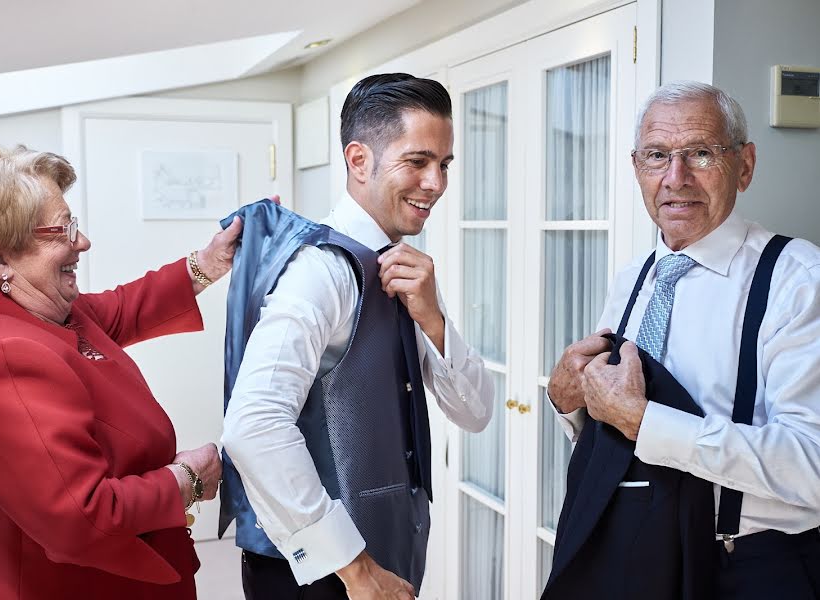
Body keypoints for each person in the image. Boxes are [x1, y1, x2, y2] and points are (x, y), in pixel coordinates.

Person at [0, 137, 245, 599]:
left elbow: (115, 310)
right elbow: (85, 515)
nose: (83, 241)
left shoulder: (10, 307)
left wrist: (207, 263)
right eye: (63, 230)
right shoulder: (5, 359)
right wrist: (188, 480)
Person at [219, 73, 495, 600]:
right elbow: (252, 424)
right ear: (359, 160)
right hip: (320, 577)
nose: (436, 183)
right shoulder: (319, 273)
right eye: (417, 162)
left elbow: (475, 413)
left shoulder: (408, 275)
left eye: (444, 164)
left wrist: (433, 320)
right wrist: (355, 568)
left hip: (390, 552)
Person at [546, 81, 820, 598]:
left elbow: (812, 465)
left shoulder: (797, 280)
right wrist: (570, 404)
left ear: (745, 165)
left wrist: (646, 421)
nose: (676, 178)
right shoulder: (633, 278)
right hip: (634, 555)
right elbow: (616, 435)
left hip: (747, 569)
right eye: (657, 156)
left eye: (700, 153)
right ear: (636, 168)